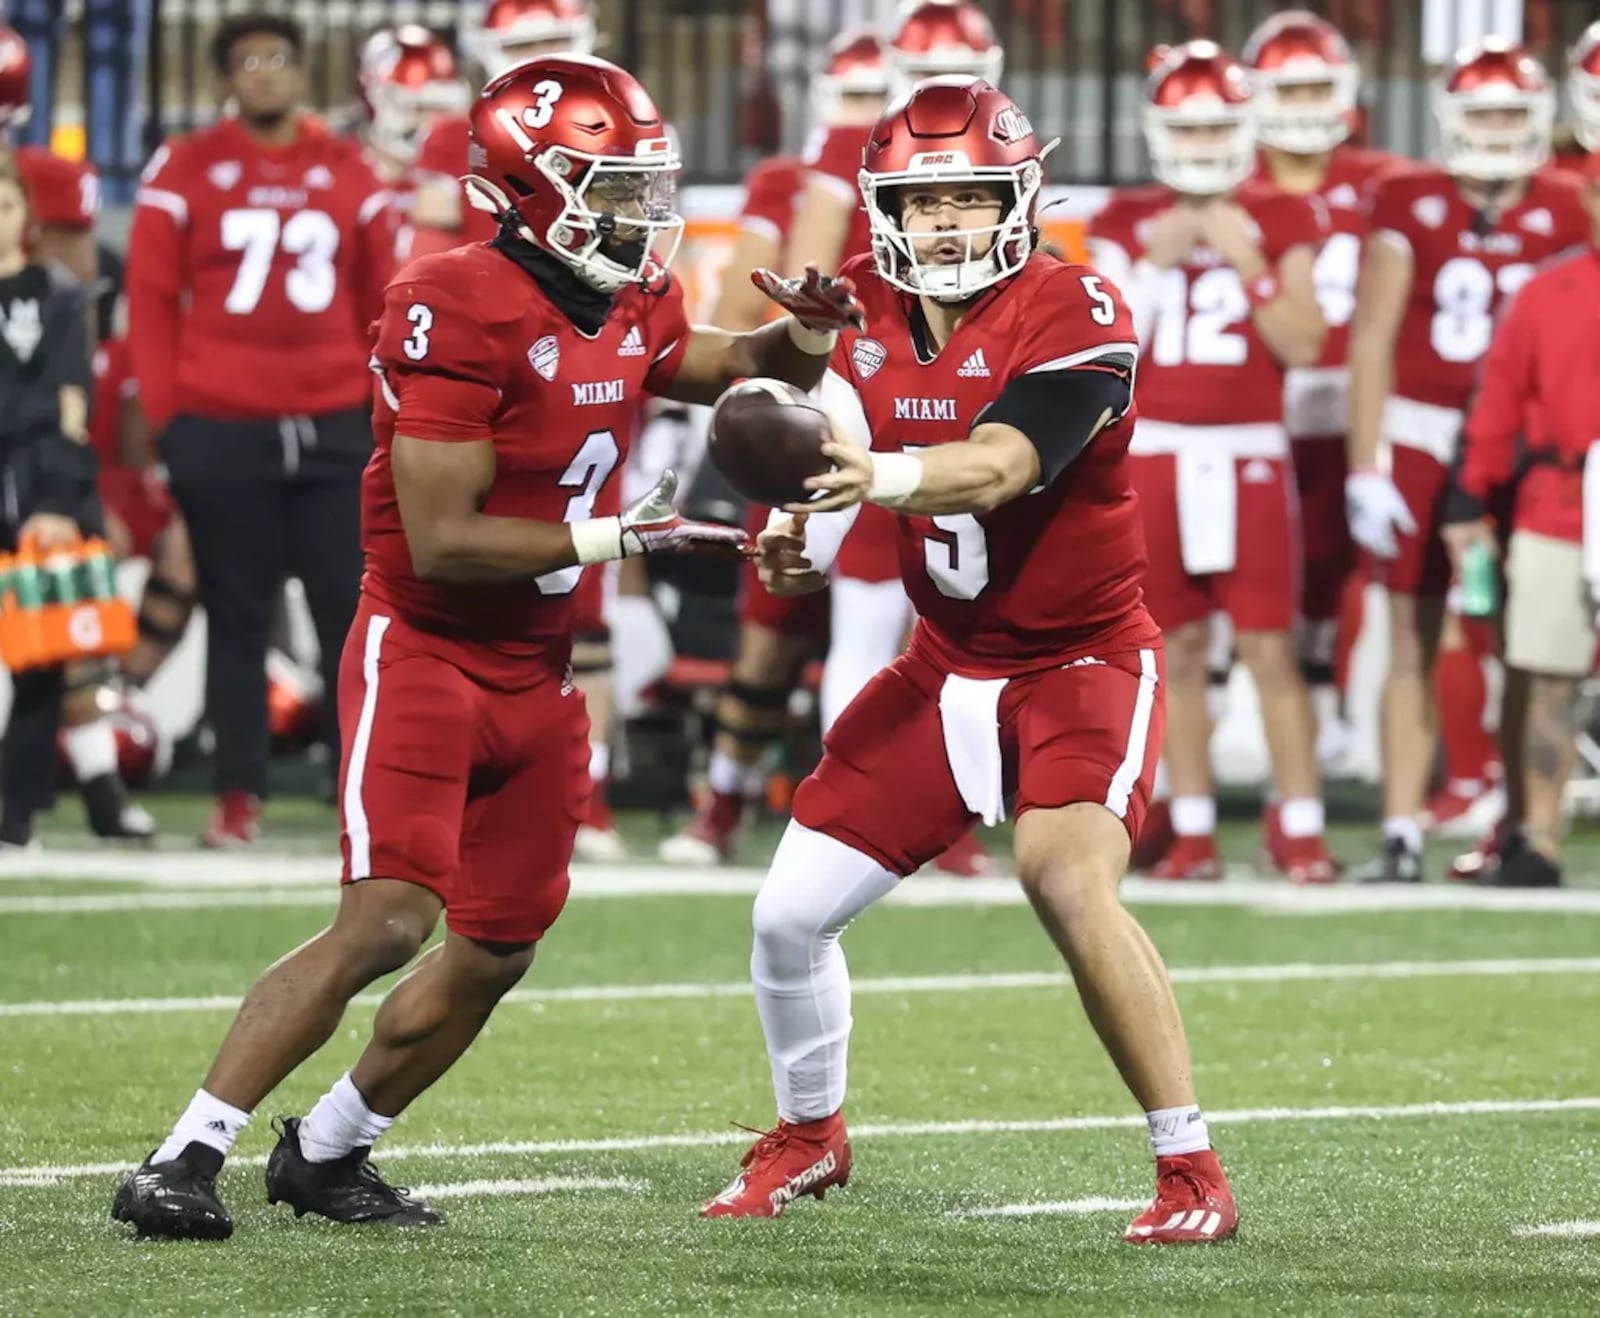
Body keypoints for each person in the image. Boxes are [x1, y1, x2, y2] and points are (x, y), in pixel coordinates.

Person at [110, 52, 867, 1242]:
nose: (637, 215)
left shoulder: (628, 293)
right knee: (388, 920)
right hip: (425, 645)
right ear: (530, 184)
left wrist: (800, 337)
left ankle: (329, 1148)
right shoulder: (448, 299)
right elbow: (443, 538)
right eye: (610, 189)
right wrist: (624, 534)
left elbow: (718, 364)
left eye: (642, 188)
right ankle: (184, 1153)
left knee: (499, 945)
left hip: (538, 667)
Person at [701, 75, 1237, 1245]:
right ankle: (808, 1135)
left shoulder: (1077, 307)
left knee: (1064, 881)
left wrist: (874, 481)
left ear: (1020, 195)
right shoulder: (868, 321)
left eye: (969, 197)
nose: (944, 223)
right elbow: (832, 447)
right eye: (923, 200)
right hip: (942, 668)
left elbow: (997, 466)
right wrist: (798, 534)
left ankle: (1189, 1165)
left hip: (1079, 663)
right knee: (787, 917)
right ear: (885, 206)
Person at [126, 13, 402, 846]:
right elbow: (148, 300)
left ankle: (359, 792)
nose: (267, 74)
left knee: (347, 617)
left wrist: (375, 409)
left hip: (332, 424)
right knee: (237, 616)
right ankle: (238, 794)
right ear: (224, 78)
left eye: (280, 58)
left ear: (303, 72)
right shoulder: (186, 166)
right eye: (249, 61)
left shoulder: (348, 167)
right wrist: (172, 422)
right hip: (223, 422)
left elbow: (381, 298)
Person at [1344, 38, 1588, 882]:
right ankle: (1402, 830)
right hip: (1420, 434)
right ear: (1451, 119)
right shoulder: (1408, 200)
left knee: (1525, 647)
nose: (1496, 128)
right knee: (1410, 635)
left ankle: (1514, 824)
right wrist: (1365, 462)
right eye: (1482, 111)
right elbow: (1371, 339)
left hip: (1521, 451)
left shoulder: (1565, 202)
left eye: (1512, 112)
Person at [1089, 42, 1333, 883]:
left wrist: (1251, 262)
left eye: (1217, 130)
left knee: (1272, 649)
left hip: (1250, 452)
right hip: (1154, 452)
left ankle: (1300, 829)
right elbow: (1108, 352)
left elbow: (1303, 340)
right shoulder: (1126, 219)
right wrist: (1155, 265)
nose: (1201, 148)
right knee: (1177, 649)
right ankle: (1190, 829)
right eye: (1187, 133)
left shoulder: (1283, 213)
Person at [1244, 10, 1405, 779]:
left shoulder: (1385, 184)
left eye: (1317, 88)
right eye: (1291, 88)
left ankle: (1333, 694)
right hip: (1259, 404)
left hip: (1357, 397)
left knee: (1352, 561)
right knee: (1273, 568)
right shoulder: (1229, 186)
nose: (1305, 106)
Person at [1439, 153, 1600, 888]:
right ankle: (1536, 837)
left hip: (1562, 497)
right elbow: (1497, 403)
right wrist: (1470, 500)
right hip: (1558, 501)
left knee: (1547, 676)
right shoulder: (1545, 293)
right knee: (1544, 674)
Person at [0, 160, 149, 845]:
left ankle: (18, 808)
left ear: (25, 215)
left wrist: (58, 496)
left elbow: (69, 404)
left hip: (37, 487)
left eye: (3, 206)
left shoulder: (56, 294)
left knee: (43, 653)